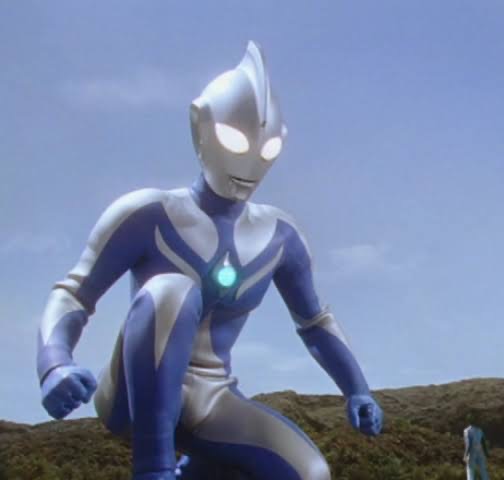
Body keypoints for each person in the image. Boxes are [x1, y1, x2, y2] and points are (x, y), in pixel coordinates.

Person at [36, 41, 383, 480]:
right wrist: (55, 363)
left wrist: (357, 390)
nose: (250, 160)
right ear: (200, 125)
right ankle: (154, 468)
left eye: (268, 149)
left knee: (309, 471)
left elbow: (314, 322)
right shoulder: (149, 214)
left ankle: (198, 470)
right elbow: (74, 294)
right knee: (172, 290)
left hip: (213, 397)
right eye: (235, 140)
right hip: (133, 392)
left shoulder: (279, 236)